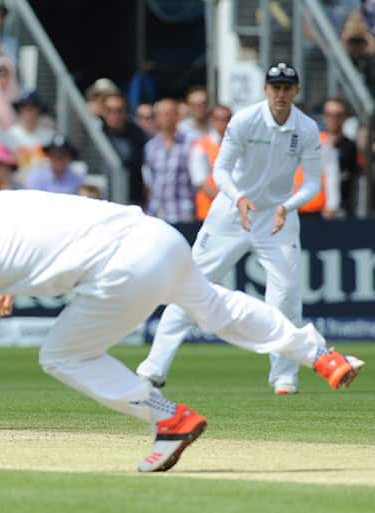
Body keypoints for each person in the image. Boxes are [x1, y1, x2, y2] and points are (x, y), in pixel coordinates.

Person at [0, 186, 365, 472]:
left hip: (123, 270)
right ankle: (320, 354)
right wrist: (7, 286)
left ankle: (170, 418)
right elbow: (46, 236)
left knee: (61, 355)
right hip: (158, 236)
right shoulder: (1, 203)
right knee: (218, 308)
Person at [137, 63, 322, 395]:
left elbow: (311, 183)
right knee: (191, 284)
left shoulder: (306, 128)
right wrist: (238, 197)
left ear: (296, 91)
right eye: (275, 87)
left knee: (286, 296)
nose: (280, 94)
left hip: (277, 216)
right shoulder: (245, 120)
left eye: (287, 88)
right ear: (266, 89)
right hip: (231, 212)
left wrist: (289, 205)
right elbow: (220, 170)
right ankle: (155, 366)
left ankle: (284, 376)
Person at [142, 98, 194, 224]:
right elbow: (149, 182)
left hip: (183, 214)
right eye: (161, 114)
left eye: (170, 113)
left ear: (177, 116)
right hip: (157, 214)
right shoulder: (151, 146)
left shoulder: (190, 143)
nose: (166, 117)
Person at [101, 92, 148, 207]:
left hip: (130, 201)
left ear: (126, 112)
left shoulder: (138, 136)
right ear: (103, 112)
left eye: (119, 110)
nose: (114, 115)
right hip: (101, 200)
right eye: (109, 110)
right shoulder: (95, 134)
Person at [190, 105, 231, 222]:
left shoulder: (237, 145)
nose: (223, 123)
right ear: (211, 121)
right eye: (218, 119)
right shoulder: (201, 146)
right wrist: (230, 202)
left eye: (227, 119)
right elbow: (201, 183)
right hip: (209, 213)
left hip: (233, 213)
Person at [321, 97, 360, 217]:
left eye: (338, 115)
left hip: (342, 210)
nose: (333, 119)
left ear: (344, 117)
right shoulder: (315, 143)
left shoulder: (351, 147)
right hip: (314, 209)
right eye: (329, 114)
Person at [6, 91, 54, 171]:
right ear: (19, 110)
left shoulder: (50, 136)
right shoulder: (9, 135)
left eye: (33, 108)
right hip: (17, 182)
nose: (29, 112)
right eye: (25, 108)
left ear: (39, 110)